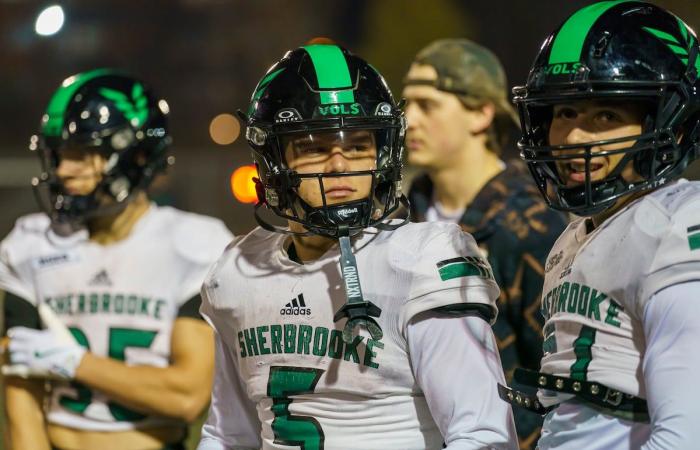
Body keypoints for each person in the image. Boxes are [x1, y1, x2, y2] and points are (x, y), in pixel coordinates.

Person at [196, 43, 517, 450]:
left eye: (358, 145)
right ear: (273, 161)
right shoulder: (239, 271)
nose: (340, 165)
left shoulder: (421, 258)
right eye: (314, 147)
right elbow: (228, 435)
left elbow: (482, 435)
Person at [501, 1, 700, 449]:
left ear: (672, 124)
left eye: (605, 116)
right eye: (565, 114)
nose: (573, 138)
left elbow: (686, 435)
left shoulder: (677, 224)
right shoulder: (575, 236)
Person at [0, 69, 233, 450]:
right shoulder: (30, 244)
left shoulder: (194, 244)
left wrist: (75, 363)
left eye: (81, 154)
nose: (62, 170)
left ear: (135, 156)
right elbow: (20, 403)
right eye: (59, 154)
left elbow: (186, 397)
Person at [402, 39, 568, 449]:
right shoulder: (401, 217)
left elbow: (552, 378)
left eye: (427, 105)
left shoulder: (529, 224)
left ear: (480, 113)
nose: (408, 120)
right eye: (406, 104)